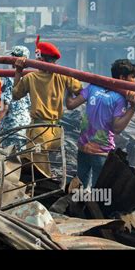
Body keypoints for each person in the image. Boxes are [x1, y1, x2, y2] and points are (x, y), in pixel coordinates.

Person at [13, 35, 82, 176]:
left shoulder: (30, 78)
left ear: (40, 59)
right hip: (56, 131)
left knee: (38, 173)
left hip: (39, 133)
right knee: (50, 169)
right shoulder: (63, 76)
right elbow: (80, 90)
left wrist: (18, 71)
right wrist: (69, 98)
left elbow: (15, 94)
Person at [66, 59, 135, 188]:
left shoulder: (93, 87)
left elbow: (70, 104)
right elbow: (117, 128)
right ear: (122, 77)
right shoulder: (120, 98)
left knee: (79, 187)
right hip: (101, 152)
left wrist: (68, 89)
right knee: (98, 192)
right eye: (133, 77)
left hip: (82, 147)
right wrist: (133, 107)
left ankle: (77, 207)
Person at [0, 46, 31, 149]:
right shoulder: (30, 77)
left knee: (9, 160)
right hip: (25, 125)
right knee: (21, 158)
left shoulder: (10, 78)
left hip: (11, 127)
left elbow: (5, 106)